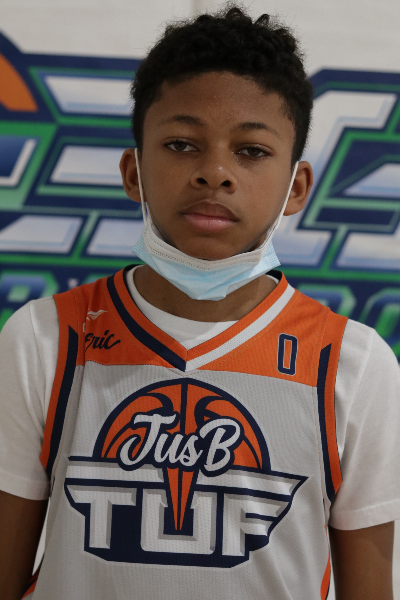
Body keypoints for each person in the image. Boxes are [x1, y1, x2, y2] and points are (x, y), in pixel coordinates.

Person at [0, 5, 399, 600]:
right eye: (182, 144)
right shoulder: (44, 338)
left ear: (296, 188)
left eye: (252, 151)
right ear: (133, 172)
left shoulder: (353, 364)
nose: (215, 172)